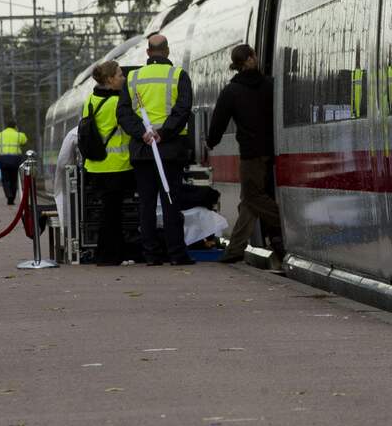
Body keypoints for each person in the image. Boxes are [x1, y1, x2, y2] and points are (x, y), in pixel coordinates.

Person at [116, 34, 195, 266]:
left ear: (148, 53)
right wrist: (165, 133)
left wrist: (142, 133)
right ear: (167, 51)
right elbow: (183, 109)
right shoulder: (178, 75)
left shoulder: (133, 77)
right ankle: (177, 254)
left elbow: (123, 113)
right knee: (171, 202)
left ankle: (150, 255)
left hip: (142, 150)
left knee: (147, 205)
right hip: (170, 150)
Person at [205, 44, 283, 264]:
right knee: (249, 202)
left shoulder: (232, 90)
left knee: (251, 197)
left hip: (250, 153)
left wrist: (211, 142)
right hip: (272, 150)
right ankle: (235, 250)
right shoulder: (270, 85)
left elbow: (219, 120)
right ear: (252, 59)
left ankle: (288, 225)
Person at [81, 60, 135, 266]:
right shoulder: (117, 103)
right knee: (113, 214)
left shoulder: (91, 100)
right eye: (120, 75)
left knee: (107, 212)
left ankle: (106, 254)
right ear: (110, 79)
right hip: (116, 165)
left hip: (95, 166)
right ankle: (109, 256)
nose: (123, 78)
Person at [0, 119, 28, 205]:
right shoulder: (19, 135)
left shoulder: (0, 135)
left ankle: (8, 195)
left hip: (3, 159)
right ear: (15, 126)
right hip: (15, 159)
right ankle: (12, 198)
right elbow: (25, 142)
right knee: (14, 179)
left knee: (5, 179)